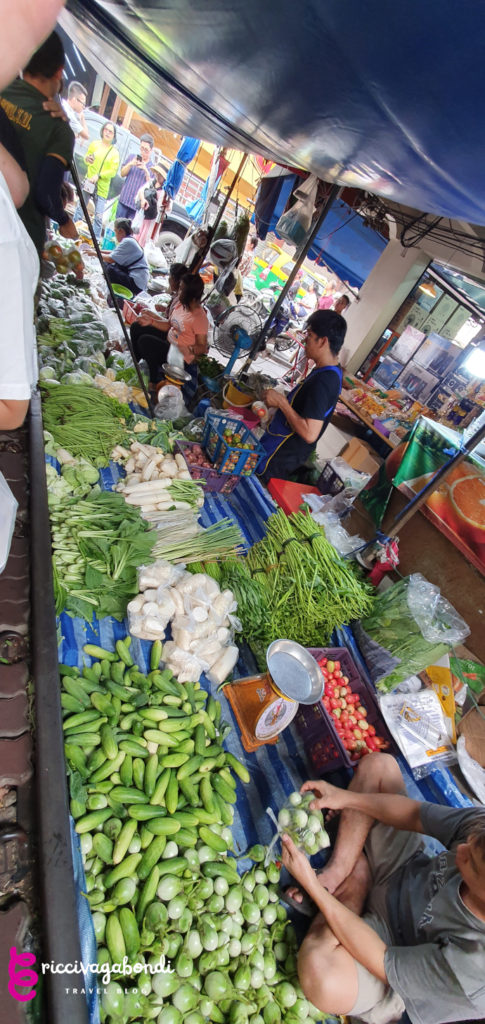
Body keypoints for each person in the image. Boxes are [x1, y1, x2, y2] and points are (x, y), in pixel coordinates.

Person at [281, 755, 485, 1024]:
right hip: (404, 871)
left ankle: (353, 885)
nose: (460, 850)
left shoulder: (476, 967)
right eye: (469, 844)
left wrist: (312, 887)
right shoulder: (481, 834)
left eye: (470, 862)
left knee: (322, 976)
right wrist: (346, 799)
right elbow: (415, 814)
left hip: (393, 958)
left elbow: (384, 961)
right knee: (380, 768)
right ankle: (340, 871)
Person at [0, 31, 77, 256]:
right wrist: (63, 220)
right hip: (17, 241)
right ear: (59, 72)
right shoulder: (59, 129)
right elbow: (46, 194)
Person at [257, 309, 346, 483]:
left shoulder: (324, 381)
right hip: (278, 452)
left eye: (310, 335)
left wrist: (282, 403)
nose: (305, 339)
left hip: (278, 461)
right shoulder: (330, 371)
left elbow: (310, 433)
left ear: (323, 341)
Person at [131, 272, 208, 392]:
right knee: (136, 327)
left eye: (182, 289)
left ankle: (153, 381)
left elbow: (202, 347)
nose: (178, 292)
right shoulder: (181, 305)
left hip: (178, 354)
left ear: (190, 294)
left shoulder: (199, 318)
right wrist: (151, 321)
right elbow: (169, 325)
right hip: (169, 339)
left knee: (145, 341)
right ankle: (136, 362)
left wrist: (189, 350)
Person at [79, 121, 120, 238]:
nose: (107, 133)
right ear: (102, 131)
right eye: (106, 130)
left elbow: (113, 171)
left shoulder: (114, 153)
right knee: (80, 208)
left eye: (110, 131)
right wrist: (87, 159)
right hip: (89, 182)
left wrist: (99, 175)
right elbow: (86, 159)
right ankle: (75, 231)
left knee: (98, 217)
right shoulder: (94, 144)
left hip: (102, 188)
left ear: (113, 136)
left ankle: (95, 240)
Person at [101, 217, 149, 297]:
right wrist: (97, 251)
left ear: (121, 231)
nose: (115, 234)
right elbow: (114, 253)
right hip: (137, 281)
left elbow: (111, 259)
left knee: (109, 269)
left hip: (136, 284)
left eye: (115, 231)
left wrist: (94, 253)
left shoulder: (128, 242)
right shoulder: (129, 240)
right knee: (108, 265)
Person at [117, 133, 154, 220]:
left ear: (151, 150)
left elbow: (151, 186)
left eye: (146, 150)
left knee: (130, 232)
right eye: (141, 148)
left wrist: (145, 170)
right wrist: (130, 164)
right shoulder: (132, 157)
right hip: (124, 200)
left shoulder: (152, 168)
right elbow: (122, 174)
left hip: (136, 206)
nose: (143, 152)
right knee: (117, 227)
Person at [135, 163, 166, 248]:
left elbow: (165, 209)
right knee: (135, 237)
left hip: (152, 221)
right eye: (157, 173)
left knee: (143, 243)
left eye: (161, 174)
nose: (158, 176)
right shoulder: (151, 182)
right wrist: (143, 200)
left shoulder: (165, 192)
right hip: (143, 217)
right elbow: (141, 191)